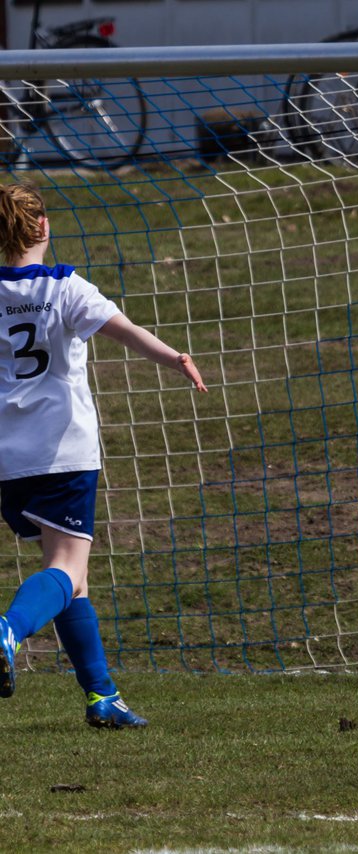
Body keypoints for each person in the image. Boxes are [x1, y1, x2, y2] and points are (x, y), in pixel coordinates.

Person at [0, 181, 208, 728]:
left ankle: (102, 697)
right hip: (62, 450)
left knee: (74, 580)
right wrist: (176, 357)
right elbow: (127, 332)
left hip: (7, 457)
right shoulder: (66, 286)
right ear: (43, 226)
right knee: (67, 569)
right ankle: (8, 632)